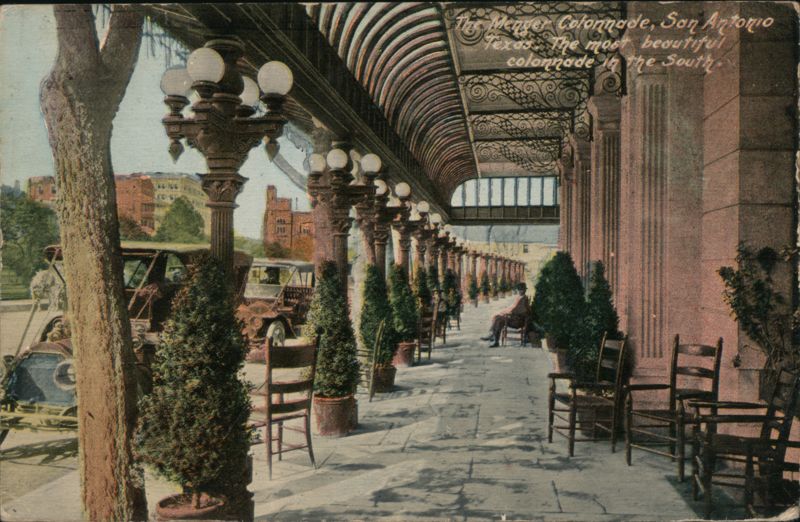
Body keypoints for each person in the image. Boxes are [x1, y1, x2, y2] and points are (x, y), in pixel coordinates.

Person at [480, 283, 528, 347]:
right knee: (497, 317)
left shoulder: (524, 299)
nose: (520, 291)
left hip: (517, 321)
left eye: (521, 290)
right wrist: (505, 311)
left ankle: (495, 340)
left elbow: (520, 311)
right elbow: (513, 308)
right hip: (514, 318)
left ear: (524, 290)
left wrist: (509, 313)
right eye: (519, 290)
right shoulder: (520, 298)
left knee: (499, 320)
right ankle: (492, 335)